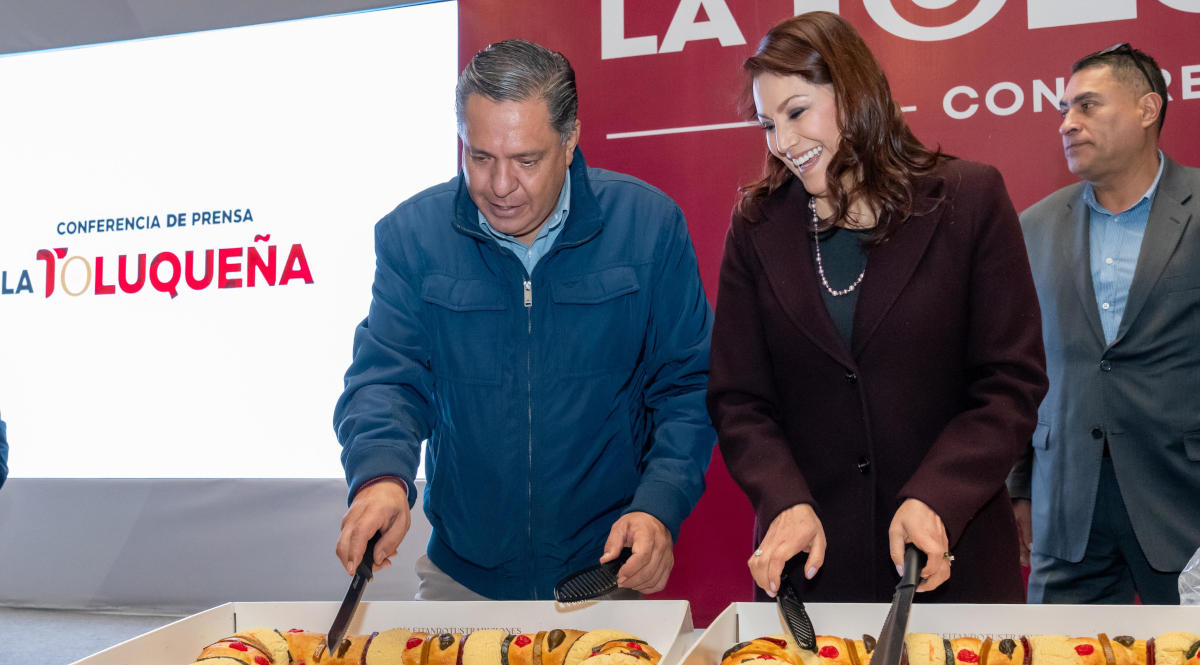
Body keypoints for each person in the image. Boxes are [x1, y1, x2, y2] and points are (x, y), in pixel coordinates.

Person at [333, 40, 715, 600]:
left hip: (605, 572)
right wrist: (381, 478)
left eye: (526, 160)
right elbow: (387, 379)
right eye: (480, 156)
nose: (500, 185)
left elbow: (688, 387)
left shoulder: (649, 227)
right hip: (461, 576)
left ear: (570, 142)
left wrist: (660, 504)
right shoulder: (412, 237)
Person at [706, 12, 1047, 603]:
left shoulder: (969, 200)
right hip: (810, 573)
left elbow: (1009, 384)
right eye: (767, 124)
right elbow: (739, 399)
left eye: (796, 112)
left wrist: (938, 496)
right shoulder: (758, 226)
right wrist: (782, 498)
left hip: (946, 563)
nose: (782, 143)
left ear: (855, 93)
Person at [1009, 44, 1200, 604]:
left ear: (1147, 109)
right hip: (1067, 508)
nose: (1068, 123)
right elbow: (1020, 367)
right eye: (1066, 109)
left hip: (1184, 503)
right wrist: (1021, 485)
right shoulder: (1033, 226)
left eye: (1088, 106)